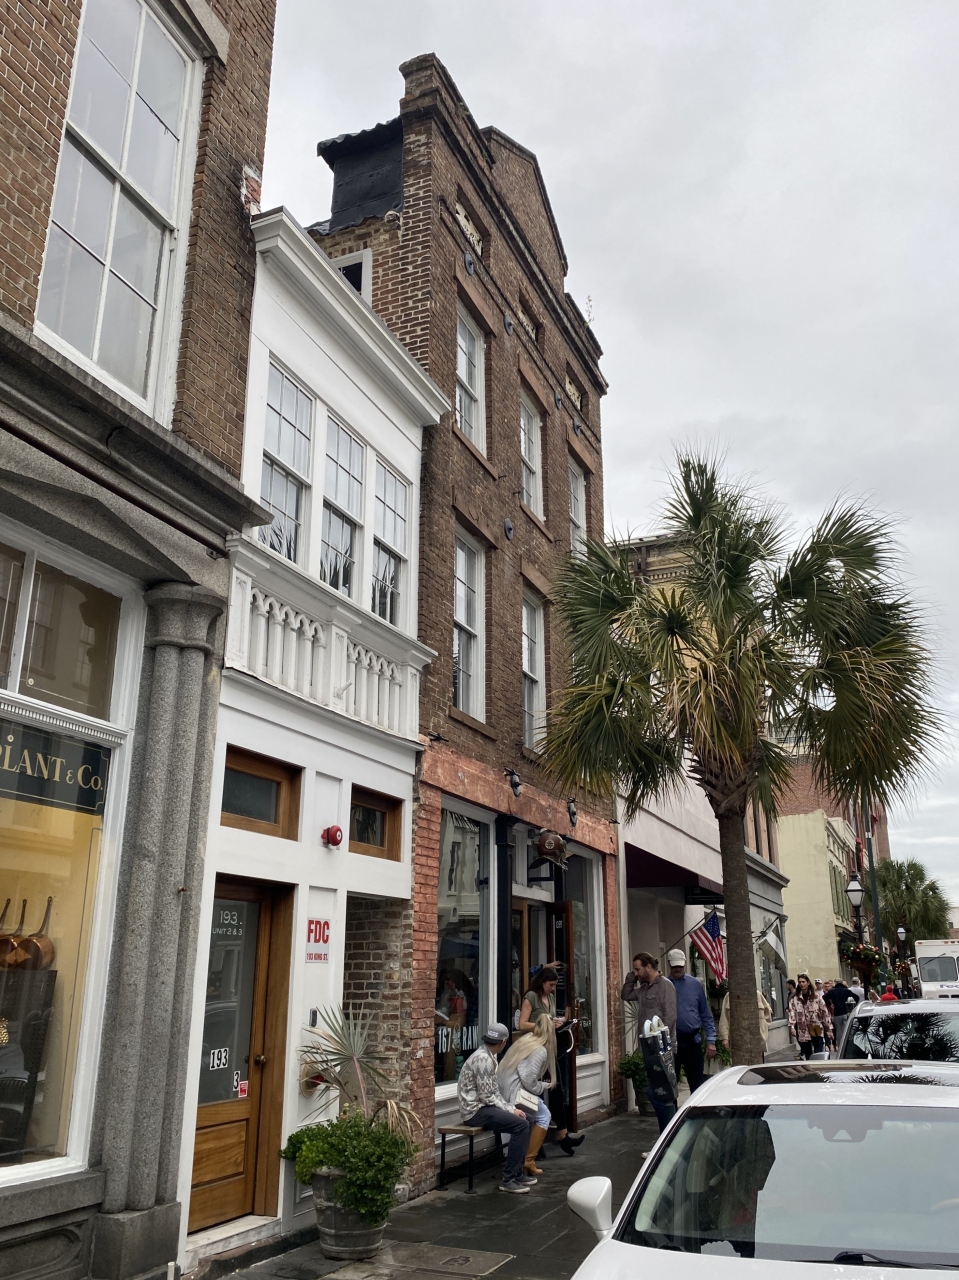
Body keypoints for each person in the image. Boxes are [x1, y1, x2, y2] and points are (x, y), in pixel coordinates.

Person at [456, 1022, 533, 1194]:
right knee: (521, 1125)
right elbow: (487, 1097)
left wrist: (510, 1107)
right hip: (475, 1111)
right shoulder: (483, 1059)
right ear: (503, 1042)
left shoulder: (489, 1055)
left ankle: (518, 1172)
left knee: (528, 1119)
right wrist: (510, 1110)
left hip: (484, 1107)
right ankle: (508, 1179)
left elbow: (494, 1091)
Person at [622, 952, 678, 1131]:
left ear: (648, 967)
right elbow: (626, 995)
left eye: (638, 969)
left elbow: (670, 1017)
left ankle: (668, 1133)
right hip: (649, 1051)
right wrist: (631, 978)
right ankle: (668, 1134)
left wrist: (662, 1044)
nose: (636, 973)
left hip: (663, 1049)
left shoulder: (665, 986)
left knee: (660, 1094)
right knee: (657, 1094)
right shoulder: (643, 989)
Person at [497, 1013, 555, 1176]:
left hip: (504, 1091)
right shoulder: (540, 1049)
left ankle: (516, 1159)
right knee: (544, 1116)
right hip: (515, 1093)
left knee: (523, 1121)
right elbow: (529, 1079)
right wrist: (542, 1086)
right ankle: (528, 1160)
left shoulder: (526, 1040)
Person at [666, 948, 717, 1091]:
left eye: (680, 966)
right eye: (674, 966)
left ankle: (696, 1106)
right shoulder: (663, 985)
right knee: (670, 1085)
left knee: (697, 1083)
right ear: (669, 964)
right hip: (670, 1041)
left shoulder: (695, 984)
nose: (677, 969)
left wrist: (711, 1041)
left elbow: (705, 1014)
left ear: (684, 964)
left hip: (692, 1040)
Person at [718, 988, 773, 1060]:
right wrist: (725, 1037)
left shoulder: (757, 994)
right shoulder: (729, 996)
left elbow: (768, 1013)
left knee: (758, 1064)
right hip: (737, 1041)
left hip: (756, 1040)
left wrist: (763, 1029)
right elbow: (724, 1018)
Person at [788, 972, 832, 1059]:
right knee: (808, 1054)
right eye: (800, 982)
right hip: (803, 1030)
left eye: (803, 982)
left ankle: (817, 1066)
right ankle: (810, 1066)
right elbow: (792, 1013)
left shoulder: (816, 996)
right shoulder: (795, 999)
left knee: (818, 1053)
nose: (801, 984)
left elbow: (824, 1013)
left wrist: (828, 1028)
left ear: (808, 983)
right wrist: (792, 1027)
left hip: (816, 1028)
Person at [824, 979, 858, 1051]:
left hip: (836, 1013)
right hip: (845, 1012)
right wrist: (854, 1007)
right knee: (846, 1030)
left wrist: (829, 1004)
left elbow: (824, 997)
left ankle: (840, 1047)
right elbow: (857, 997)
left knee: (838, 1031)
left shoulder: (832, 991)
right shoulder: (846, 990)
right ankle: (847, 1045)